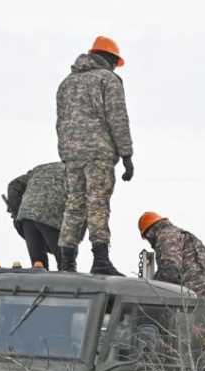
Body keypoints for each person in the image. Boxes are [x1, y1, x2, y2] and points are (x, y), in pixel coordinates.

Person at [55, 35, 134, 276]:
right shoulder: (107, 79)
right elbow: (118, 119)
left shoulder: (66, 83)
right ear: (110, 59)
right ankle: (100, 260)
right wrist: (127, 154)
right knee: (97, 203)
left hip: (71, 154)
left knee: (74, 205)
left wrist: (66, 153)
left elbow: (60, 122)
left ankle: (67, 263)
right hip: (98, 153)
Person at [138, 211, 205, 347]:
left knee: (184, 346)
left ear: (149, 233)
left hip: (195, 299)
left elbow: (170, 272)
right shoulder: (182, 235)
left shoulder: (166, 235)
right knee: (199, 348)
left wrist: (146, 294)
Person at [5, 162, 70, 269]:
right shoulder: (80, 172)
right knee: (66, 263)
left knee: (38, 266)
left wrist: (17, 212)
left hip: (27, 217)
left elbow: (14, 185)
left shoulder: (40, 168)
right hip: (51, 217)